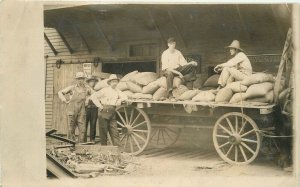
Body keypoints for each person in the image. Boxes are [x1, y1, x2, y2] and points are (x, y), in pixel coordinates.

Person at [90, 74, 128, 146]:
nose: (115, 83)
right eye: (113, 82)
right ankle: (104, 149)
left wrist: (120, 100)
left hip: (112, 112)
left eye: (116, 82)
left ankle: (117, 149)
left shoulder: (117, 91)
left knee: (115, 131)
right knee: (103, 131)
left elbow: (125, 96)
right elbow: (93, 97)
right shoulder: (105, 90)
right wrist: (100, 106)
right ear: (110, 82)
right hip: (104, 111)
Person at [58, 72, 94, 143]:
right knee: (71, 129)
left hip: (82, 111)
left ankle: (80, 146)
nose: (80, 80)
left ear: (84, 79)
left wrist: (88, 98)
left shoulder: (87, 88)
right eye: (79, 79)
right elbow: (60, 92)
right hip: (72, 110)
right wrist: (64, 100)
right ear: (76, 79)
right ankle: (71, 145)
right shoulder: (72, 88)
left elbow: (95, 94)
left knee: (82, 129)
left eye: (82, 78)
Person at [84, 75, 99, 143]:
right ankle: (83, 139)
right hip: (86, 108)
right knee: (85, 124)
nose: (92, 83)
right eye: (91, 81)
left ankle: (92, 139)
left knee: (93, 124)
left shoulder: (97, 89)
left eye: (93, 81)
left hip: (94, 109)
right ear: (88, 82)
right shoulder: (86, 89)